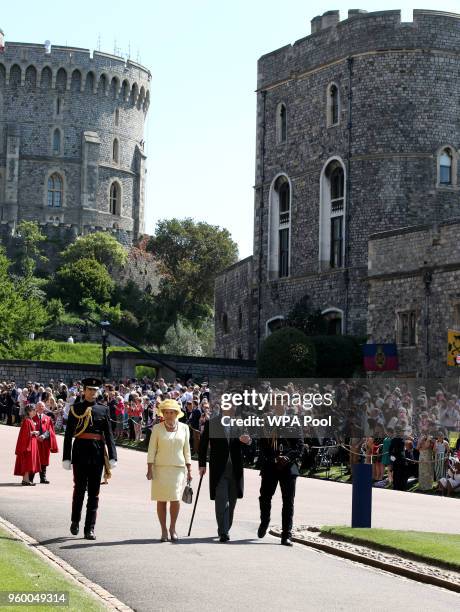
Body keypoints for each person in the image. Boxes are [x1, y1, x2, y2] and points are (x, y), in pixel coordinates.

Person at [63, 377, 117, 540]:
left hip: (97, 454)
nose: (93, 393)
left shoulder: (103, 409)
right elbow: (68, 435)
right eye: (90, 390)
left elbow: (108, 434)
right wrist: (66, 457)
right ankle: (75, 520)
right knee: (79, 490)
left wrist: (113, 456)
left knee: (94, 493)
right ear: (84, 391)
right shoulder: (76, 408)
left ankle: (89, 528)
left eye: (95, 390)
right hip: (80, 453)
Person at [198, 404, 251, 542]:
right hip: (219, 469)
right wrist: (202, 464)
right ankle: (223, 531)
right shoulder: (213, 423)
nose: (232, 409)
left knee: (232, 502)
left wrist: (247, 441)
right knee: (222, 500)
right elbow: (203, 444)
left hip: (235, 469)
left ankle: (226, 527)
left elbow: (248, 441)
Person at [256, 400, 304, 546]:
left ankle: (286, 534)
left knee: (288, 501)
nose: (279, 405)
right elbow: (262, 445)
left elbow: (300, 445)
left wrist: (287, 457)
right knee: (265, 497)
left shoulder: (294, 421)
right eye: (277, 402)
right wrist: (273, 459)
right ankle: (265, 521)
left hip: (288, 467)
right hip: (271, 466)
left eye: (282, 402)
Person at [146, 399, 192, 542]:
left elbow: (187, 450)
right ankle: (163, 530)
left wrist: (189, 468)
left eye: (172, 412)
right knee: (161, 499)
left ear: (177, 413)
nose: (169, 415)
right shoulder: (157, 428)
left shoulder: (185, 428)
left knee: (175, 499)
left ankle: (172, 528)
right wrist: (149, 467)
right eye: (166, 412)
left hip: (178, 468)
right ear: (162, 414)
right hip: (160, 468)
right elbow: (151, 449)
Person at [31, 401, 59, 484]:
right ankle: (30, 478)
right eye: (39, 406)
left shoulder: (48, 418)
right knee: (34, 459)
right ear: (36, 408)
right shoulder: (32, 418)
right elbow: (30, 429)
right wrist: (36, 436)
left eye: (42, 406)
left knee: (44, 460)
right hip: (35, 442)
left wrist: (43, 436)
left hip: (44, 442)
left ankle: (43, 478)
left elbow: (50, 430)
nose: (41, 408)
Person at [14, 404, 41, 486]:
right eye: (33, 410)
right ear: (29, 411)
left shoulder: (30, 420)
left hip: (31, 443)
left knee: (29, 462)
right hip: (28, 445)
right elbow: (26, 433)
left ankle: (26, 479)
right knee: (27, 462)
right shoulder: (27, 420)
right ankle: (26, 480)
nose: (35, 411)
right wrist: (34, 432)